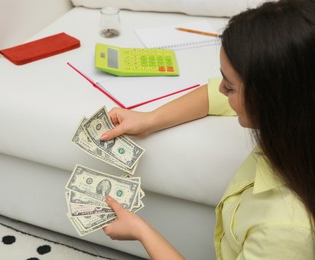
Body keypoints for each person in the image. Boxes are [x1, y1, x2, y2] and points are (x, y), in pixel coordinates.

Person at [99, 0, 315, 259]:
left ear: (271, 99)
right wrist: (150, 119)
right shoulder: (300, 108)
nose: (222, 89)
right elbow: (214, 94)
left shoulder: (285, 229)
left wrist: (142, 231)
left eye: (231, 86)